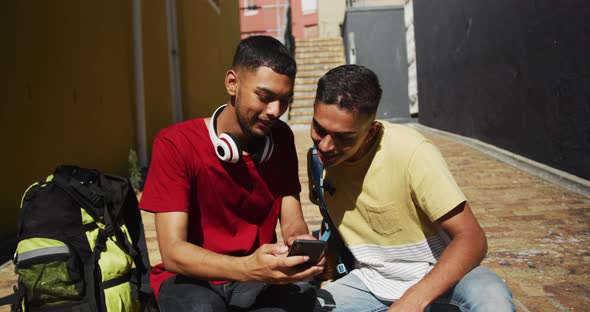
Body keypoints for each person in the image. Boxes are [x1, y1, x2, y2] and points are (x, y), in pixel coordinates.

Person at [139, 35, 323, 312]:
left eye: (285, 101)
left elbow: (292, 220)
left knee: (303, 297)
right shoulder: (175, 143)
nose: (275, 112)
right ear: (232, 83)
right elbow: (173, 252)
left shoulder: (281, 139)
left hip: (255, 278)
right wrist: (247, 267)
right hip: (191, 279)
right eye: (264, 97)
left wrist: (300, 243)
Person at [309, 65, 514, 312]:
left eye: (344, 137)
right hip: (371, 282)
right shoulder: (319, 162)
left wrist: (413, 300)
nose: (326, 146)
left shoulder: (413, 152)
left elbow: (472, 239)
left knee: (493, 300)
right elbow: (334, 224)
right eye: (319, 129)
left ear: (371, 131)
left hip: (441, 275)